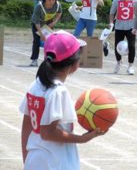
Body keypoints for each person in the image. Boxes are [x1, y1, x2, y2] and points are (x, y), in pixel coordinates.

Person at [20, 32, 106, 170]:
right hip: (55, 162)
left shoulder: (36, 85)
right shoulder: (58, 91)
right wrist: (83, 138)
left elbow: (27, 125)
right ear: (74, 64)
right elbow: (47, 132)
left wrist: (27, 159)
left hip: (36, 160)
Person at [109, 0, 137, 75]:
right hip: (119, 26)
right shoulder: (116, 0)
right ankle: (118, 62)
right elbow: (112, 13)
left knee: (132, 46)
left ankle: (130, 66)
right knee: (117, 46)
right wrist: (111, 22)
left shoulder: (134, 0)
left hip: (131, 26)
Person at [30, 0, 62, 67]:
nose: (52, 2)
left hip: (48, 24)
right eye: (49, 0)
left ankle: (49, 59)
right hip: (37, 25)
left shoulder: (57, 5)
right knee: (36, 41)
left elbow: (59, 13)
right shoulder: (39, 7)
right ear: (45, 0)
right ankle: (34, 60)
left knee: (51, 41)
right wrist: (41, 34)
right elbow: (36, 22)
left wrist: (54, 22)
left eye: (53, 0)